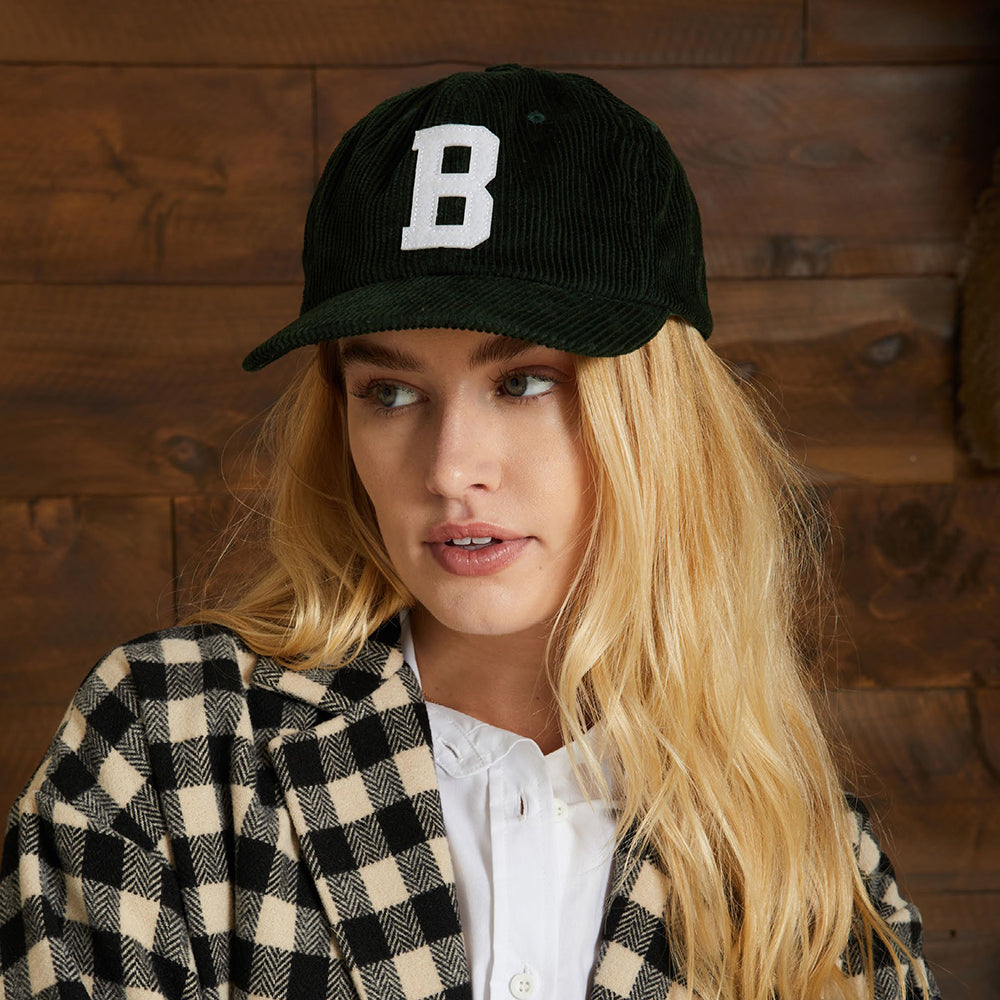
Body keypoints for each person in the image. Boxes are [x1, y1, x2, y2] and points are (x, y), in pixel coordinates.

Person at [0, 65, 940, 1000]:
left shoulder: (800, 861)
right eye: (390, 392)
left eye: (523, 382)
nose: (450, 469)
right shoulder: (166, 744)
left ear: (655, 413)